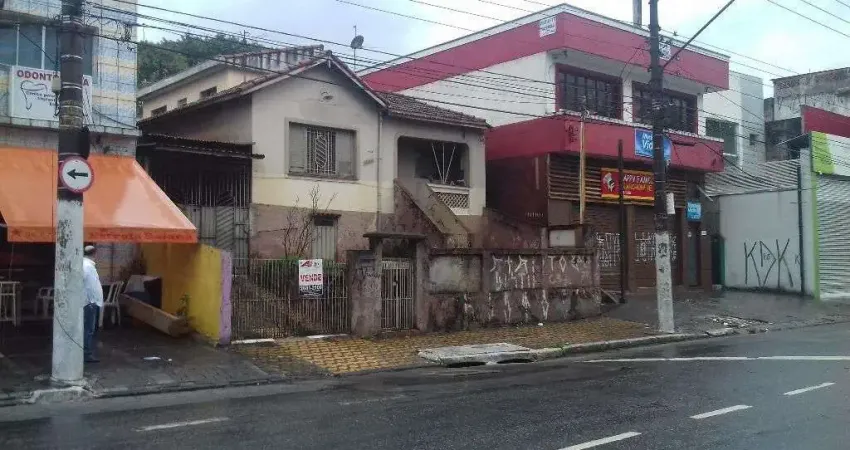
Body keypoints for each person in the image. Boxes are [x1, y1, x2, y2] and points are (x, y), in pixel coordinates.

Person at [82, 245, 103, 363]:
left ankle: (86, 352)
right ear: (95, 254)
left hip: (90, 301)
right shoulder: (87, 266)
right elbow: (88, 285)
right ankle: (86, 354)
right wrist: (91, 301)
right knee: (88, 329)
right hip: (89, 302)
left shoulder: (87, 265)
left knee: (88, 329)